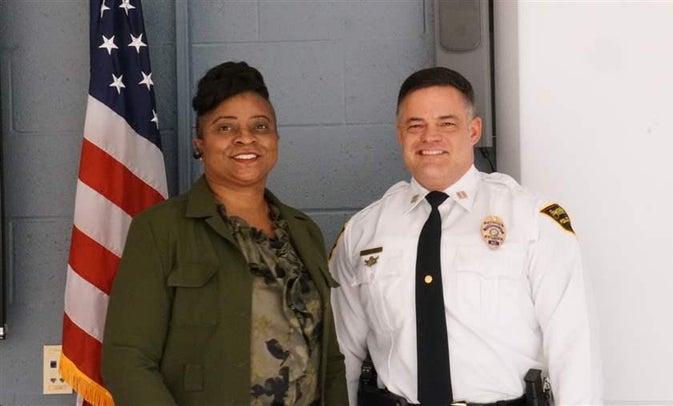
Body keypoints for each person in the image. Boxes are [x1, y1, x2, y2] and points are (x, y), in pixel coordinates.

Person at [329, 66, 603, 405]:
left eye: (447, 123)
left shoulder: (532, 221)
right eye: (416, 126)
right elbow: (340, 357)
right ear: (401, 135)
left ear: (474, 131)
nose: (431, 137)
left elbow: (573, 349)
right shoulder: (363, 232)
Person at [102, 61, 348, 405]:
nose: (245, 138)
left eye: (260, 126)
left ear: (275, 138)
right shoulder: (160, 230)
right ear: (199, 143)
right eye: (225, 128)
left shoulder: (304, 231)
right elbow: (127, 361)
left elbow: (330, 362)